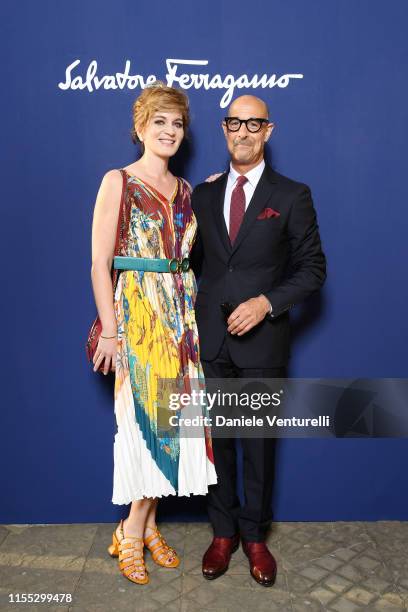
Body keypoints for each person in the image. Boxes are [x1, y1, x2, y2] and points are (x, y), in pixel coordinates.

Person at [191, 95, 326, 586]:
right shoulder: (203, 195)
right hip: (211, 342)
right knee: (218, 445)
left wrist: (266, 302)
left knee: (259, 447)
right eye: (234, 123)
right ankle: (222, 533)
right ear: (224, 130)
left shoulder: (292, 194)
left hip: (263, 342)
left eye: (254, 123)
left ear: (268, 131)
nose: (243, 132)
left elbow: (313, 270)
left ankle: (254, 538)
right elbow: (192, 265)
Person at [90, 82, 217, 585]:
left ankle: (141, 528)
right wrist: (111, 333)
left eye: (177, 123)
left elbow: (191, 247)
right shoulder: (117, 180)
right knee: (146, 429)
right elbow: (101, 262)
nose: (169, 131)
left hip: (182, 319)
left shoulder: (187, 191)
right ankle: (131, 531)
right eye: (159, 121)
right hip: (139, 317)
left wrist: (209, 194)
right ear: (140, 127)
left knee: (177, 427)